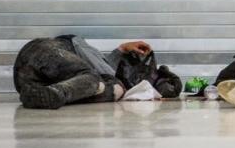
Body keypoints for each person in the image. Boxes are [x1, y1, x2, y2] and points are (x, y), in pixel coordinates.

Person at [14, 36, 181, 110]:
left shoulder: (109, 75)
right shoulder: (105, 73)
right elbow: (103, 69)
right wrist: (121, 49)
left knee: (104, 85)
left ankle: (46, 94)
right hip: (44, 53)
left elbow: (105, 69)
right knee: (103, 84)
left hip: (31, 80)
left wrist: (121, 50)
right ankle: (57, 93)